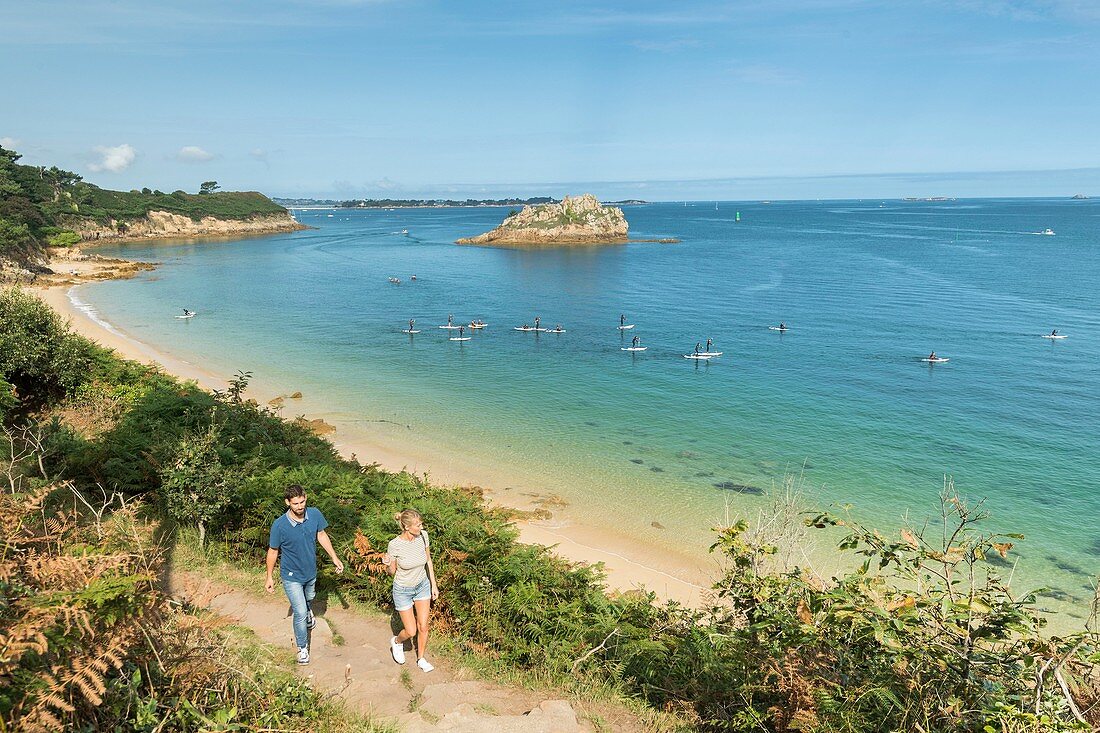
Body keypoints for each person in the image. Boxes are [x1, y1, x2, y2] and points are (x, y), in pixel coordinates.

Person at [266, 485, 345, 665]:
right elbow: (273, 551)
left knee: (309, 597)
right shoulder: (279, 525)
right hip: (290, 575)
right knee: (300, 612)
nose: (300, 506)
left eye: (302, 502)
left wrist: (334, 557)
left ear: (306, 498)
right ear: (288, 503)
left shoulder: (315, 514)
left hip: (310, 572)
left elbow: (322, 535)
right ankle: (302, 648)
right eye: (295, 503)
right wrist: (269, 576)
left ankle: (308, 609)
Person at [383, 509, 439, 673]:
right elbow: (391, 571)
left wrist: (433, 585)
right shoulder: (395, 545)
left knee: (423, 627)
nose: (421, 527)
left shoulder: (423, 536)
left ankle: (421, 658)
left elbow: (428, 561)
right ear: (407, 527)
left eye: (421, 524)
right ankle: (397, 642)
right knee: (411, 630)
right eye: (418, 525)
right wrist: (387, 563)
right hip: (403, 590)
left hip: (422, 585)